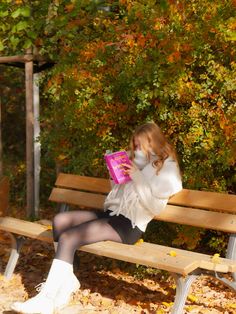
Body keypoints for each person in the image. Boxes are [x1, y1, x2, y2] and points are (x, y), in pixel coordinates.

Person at [11, 122, 182, 314]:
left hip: (130, 226)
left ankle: (47, 300)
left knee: (69, 238)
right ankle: (67, 282)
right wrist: (115, 173)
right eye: (135, 144)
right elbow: (117, 195)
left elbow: (154, 207)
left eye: (141, 145)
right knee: (60, 220)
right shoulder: (133, 160)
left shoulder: (165, 168)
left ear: (155, 143)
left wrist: (137, 176)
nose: (137, 149)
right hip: (112, 216)